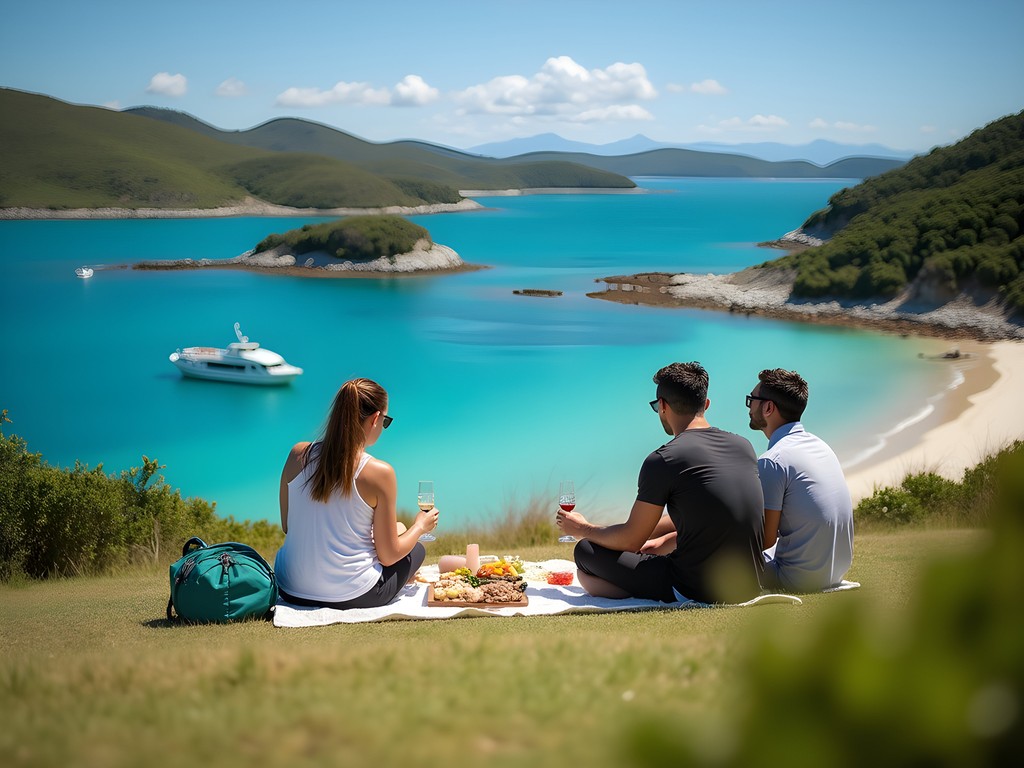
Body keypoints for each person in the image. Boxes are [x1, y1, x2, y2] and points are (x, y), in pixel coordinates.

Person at [559, 362, 765, 605]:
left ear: (663, 406)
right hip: (750, 583)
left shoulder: (663, 460)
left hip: (697, 588)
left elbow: (630, 540)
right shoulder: (743, 446)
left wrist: (582, 528)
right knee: (600, 566)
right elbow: (711, 513)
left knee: (586, 552)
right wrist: (654, 541)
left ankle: (629, 591)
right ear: (706, 404)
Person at [274, 378, 439, 609]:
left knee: (398, 531)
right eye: (385, 421)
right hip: (352, 594)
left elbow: (287, 526)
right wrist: (420, 526)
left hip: (291, 588)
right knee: (416, 549)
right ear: (375, 420)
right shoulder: (379, 472)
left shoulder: (297, 454)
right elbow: (389, 556)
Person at [747, 368, 854, 592]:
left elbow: (764, 541)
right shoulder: (821, 446)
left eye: (752, 401)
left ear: (768, 408)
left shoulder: (772, 461)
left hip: (795, 578)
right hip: (835, 571)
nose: (749, 407)